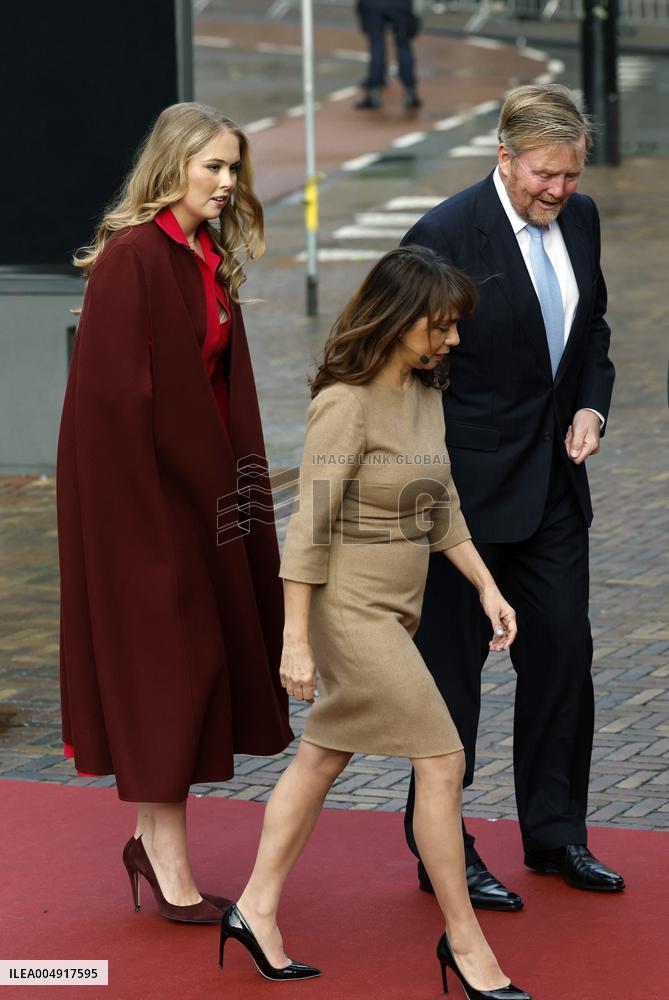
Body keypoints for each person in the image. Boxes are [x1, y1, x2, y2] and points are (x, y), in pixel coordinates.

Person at [218, 247, 532, 1000]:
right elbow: (307, 530)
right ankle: (464, 943)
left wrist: (487, 587)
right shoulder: (345, 403)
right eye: (440, 326)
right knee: (442, 758)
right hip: (348, 611)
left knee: (323, 757)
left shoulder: (423, 391)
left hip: (399, 607)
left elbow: (440, 504)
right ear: (398, 319)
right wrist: (294, 639)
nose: (451, 340)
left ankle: (254, 909)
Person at [57, 102, 293, 924]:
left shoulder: (201, 255)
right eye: (214, 167)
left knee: (188, 675)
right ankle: (164, 863)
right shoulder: (132, 258)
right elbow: (114, 408)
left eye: (235, 169)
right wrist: (149, 529)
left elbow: (215, 390)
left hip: (200, 507)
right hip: (146, 517)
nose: (228, 183)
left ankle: (155, 851)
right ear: (174, 166)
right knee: (171, 675)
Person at [401, 84, 623, 908]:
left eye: (569, 175)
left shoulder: (584, 218)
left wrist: (592, 405)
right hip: (462, 500)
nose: (558, 191)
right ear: (504, 156)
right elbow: (404, 366)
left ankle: (556, 832)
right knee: (450, 680)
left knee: (563, 655)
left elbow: (591, 330)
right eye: (543, 175)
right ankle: (441, 848)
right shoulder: (443, 235)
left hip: (555, 491)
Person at [354, 0, 422, 110]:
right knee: (403, 43)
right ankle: (410, 91)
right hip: (400, 4)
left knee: (376, 44)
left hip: (373, 4)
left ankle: (374, 92)